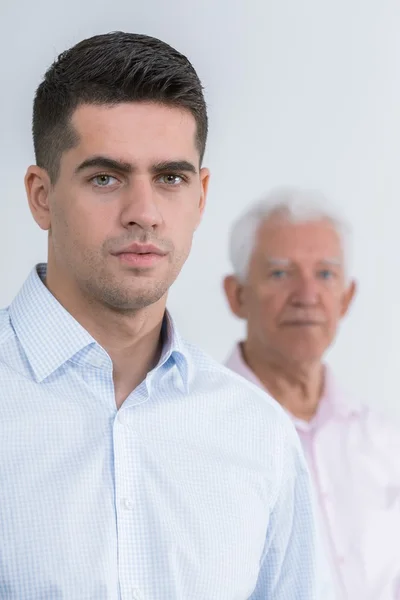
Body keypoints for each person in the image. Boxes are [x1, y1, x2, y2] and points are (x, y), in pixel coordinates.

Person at [0, 33, 318, 599]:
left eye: (170, 178)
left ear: (200, 196)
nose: (143, 213)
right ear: (40, 196)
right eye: (106, 177)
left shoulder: (259, 436)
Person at [223, 187, 400, 600]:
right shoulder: (198, 432)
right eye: (281, 273)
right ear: (237, 295)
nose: (306, 296)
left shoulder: (384, 440)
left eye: (325, 274)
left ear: (346, 298)